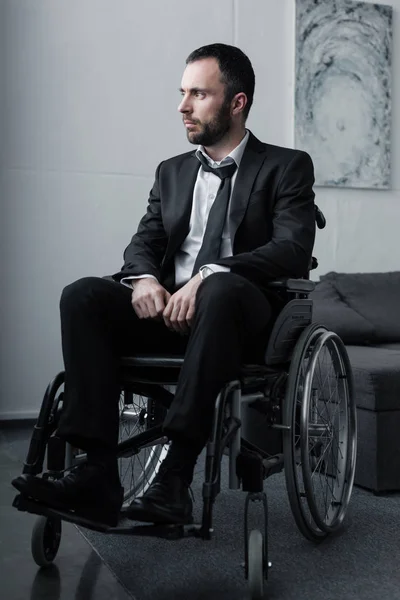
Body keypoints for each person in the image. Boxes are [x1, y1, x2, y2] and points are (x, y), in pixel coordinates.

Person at [13, 43, 316, 527]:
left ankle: (175, 478)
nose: (182, 106)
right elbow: (143, 242)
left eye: (198, 93)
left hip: (241, 319)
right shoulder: (172, 171)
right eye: (182, 92)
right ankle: (96, 472)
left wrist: (212, 273)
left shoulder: (286, 166)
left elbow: (292, 249)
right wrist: (146, 279)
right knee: (83, 295)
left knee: (219, 290)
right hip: (170, 315)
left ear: (237, 103)